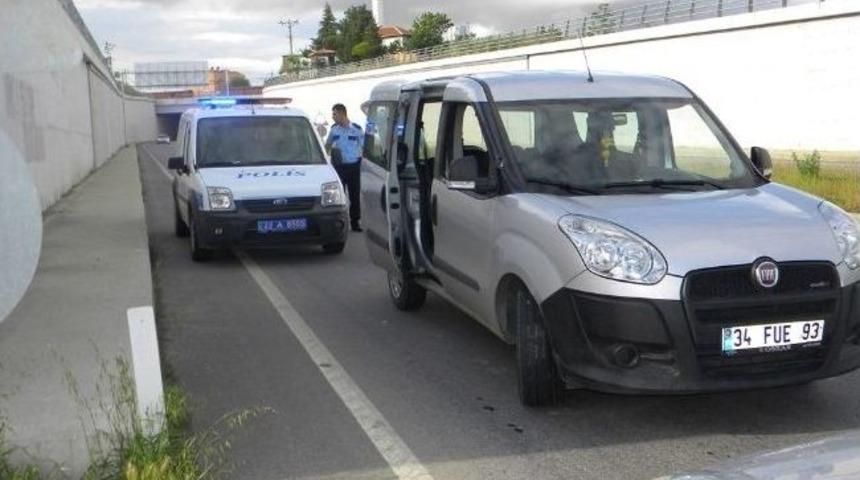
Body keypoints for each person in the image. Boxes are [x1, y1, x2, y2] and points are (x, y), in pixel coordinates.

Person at [325, 103, 364, 231]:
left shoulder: (357, 130)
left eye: (334, 114)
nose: (333, 117)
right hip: (339, 168)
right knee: (338, 197)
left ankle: (355, 222)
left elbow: (364, 147)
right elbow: (327, 145)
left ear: (342, 114)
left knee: (354, 196)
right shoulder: (334, 130)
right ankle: (338, 223)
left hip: (354, 167)